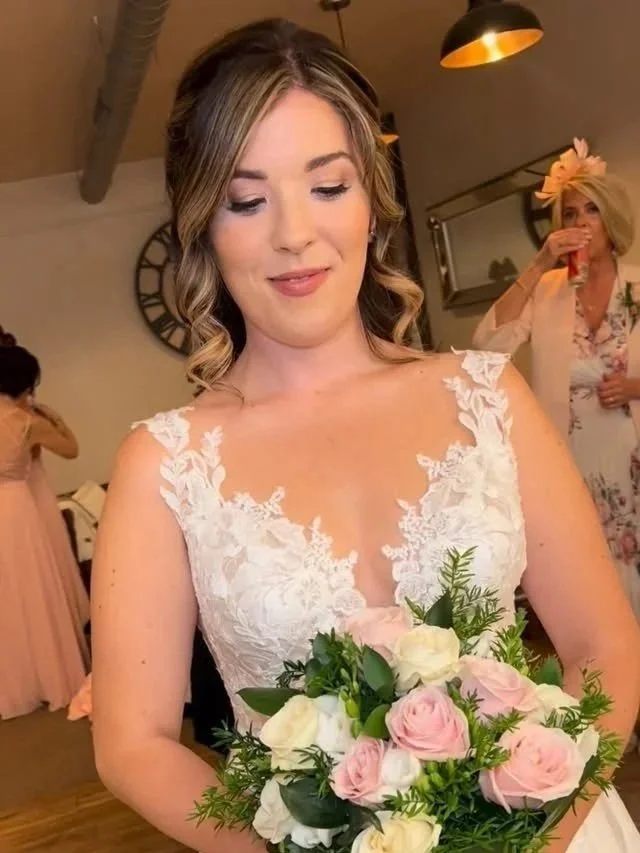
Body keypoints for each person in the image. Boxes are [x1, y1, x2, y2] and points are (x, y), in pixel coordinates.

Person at [90, 19, 640, 853]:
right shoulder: (164, 464)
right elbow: (134, 744)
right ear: (203, 222)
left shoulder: (487, 398)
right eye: (247, 199)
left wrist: (535, 839)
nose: (293, 234)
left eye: (327, 185)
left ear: (373, 204)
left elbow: (605, 644)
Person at [473, 140, 640, 621]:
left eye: (592, 210)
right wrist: (538, 264)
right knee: (597, 586)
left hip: (631, 454)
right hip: (573, 464)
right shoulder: (547, 292)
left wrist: (634, 387)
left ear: (612, 220)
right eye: (570, 214)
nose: (581, 222)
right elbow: (487, 346)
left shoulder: (636, 287)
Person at [0, 344, 89, 718]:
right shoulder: (26, 422)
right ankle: (44, 677)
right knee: (30, 593)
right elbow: (71, 449)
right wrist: (52, 416)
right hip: (16, 509)